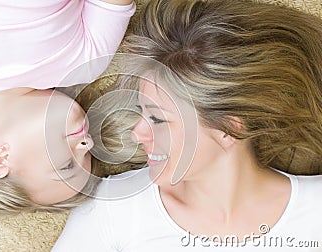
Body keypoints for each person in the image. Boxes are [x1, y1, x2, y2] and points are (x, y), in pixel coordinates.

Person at [52, 0, 322, 251]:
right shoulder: (115, 208)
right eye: (141, 112)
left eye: (157, 119)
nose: (136, 134)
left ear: (230, 128)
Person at [0, 0, 137, 214]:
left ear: (2, 159)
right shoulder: (87, 61)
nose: (87, 144)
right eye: (87, 154)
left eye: (67, 165)